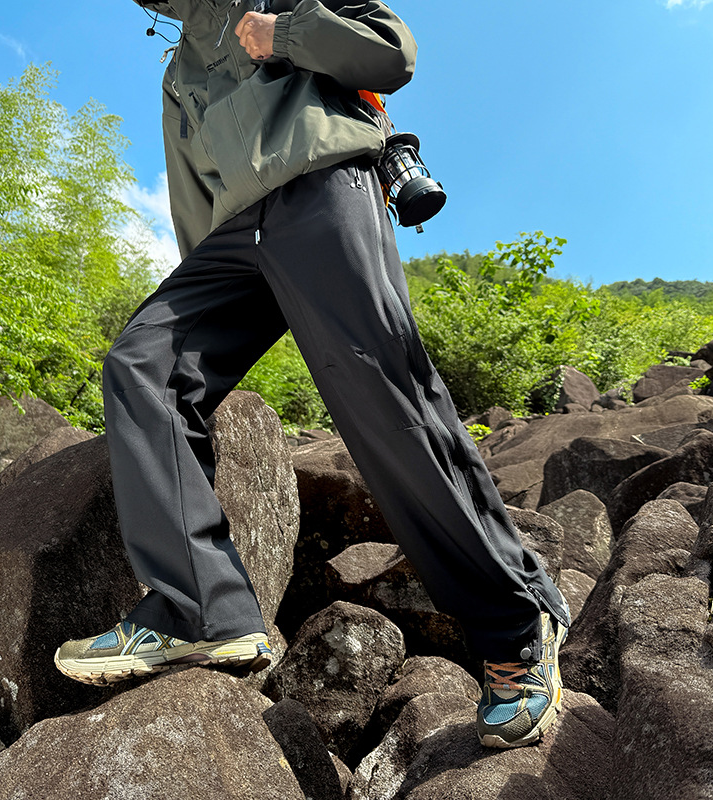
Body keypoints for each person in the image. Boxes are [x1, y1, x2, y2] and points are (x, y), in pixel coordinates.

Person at [54, 0, 571, 750]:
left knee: (385, 403)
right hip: (236, 237)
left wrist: (286, 34)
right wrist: (206, 285)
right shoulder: (180, 66)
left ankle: (516, 622)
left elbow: (390, 53)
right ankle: (201, 609)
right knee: (143, 364)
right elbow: (192, 183)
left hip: (323, 187)